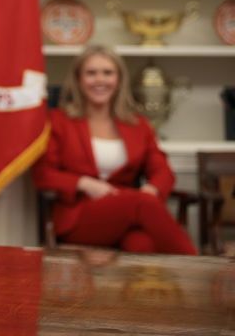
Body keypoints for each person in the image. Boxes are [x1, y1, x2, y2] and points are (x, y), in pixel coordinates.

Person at [32, 45, 195, 254]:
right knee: (142, 204)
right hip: (79, 216)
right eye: (91, 73)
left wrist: (152, 189)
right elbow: (43, 175)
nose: (100, 80)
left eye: (107, 73)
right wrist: (85, 184)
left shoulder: (138, 124)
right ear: (78, 80)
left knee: (141, 244)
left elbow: (162, 170)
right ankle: (204, 272)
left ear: (118, 80)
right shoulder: (58, 121)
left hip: (128, 212)